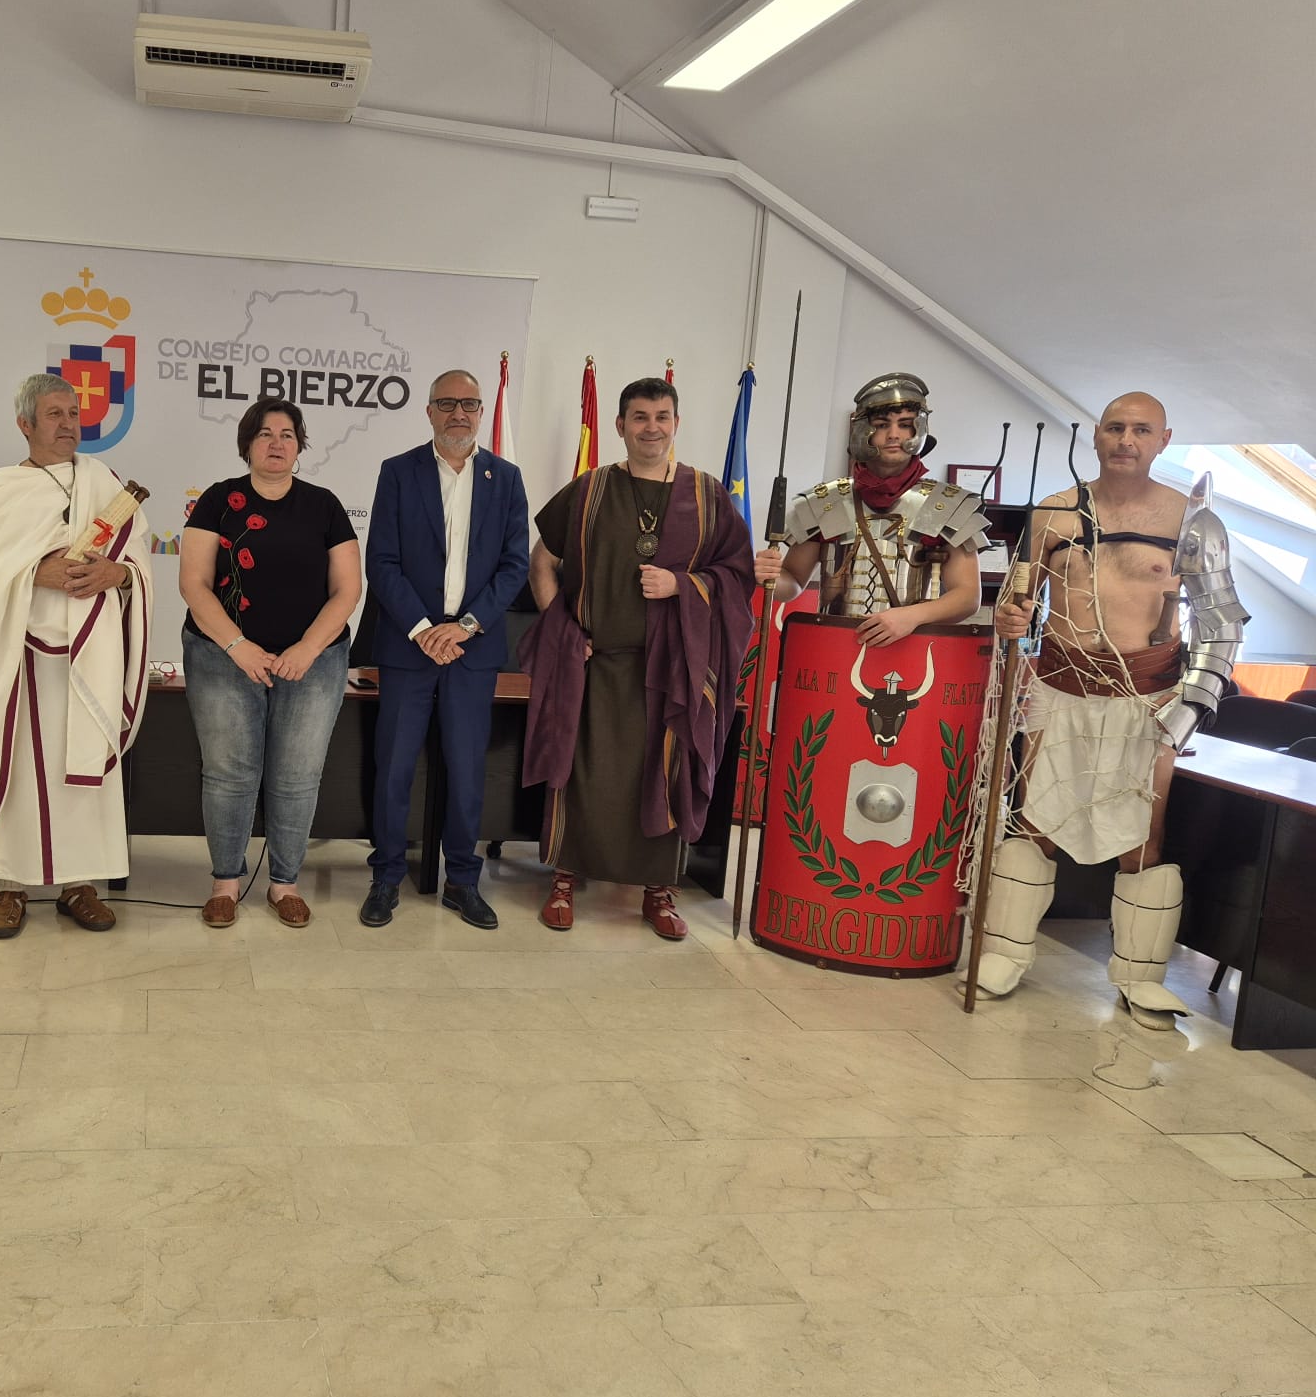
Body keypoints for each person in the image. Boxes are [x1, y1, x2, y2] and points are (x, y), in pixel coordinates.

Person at [974, 392, 1245, 1028]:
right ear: (1097, 436)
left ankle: (1139, 978)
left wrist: (1183, 718)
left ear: (1163, 439)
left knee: (1141, 836)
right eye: (1116, 427)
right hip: (1059, 683)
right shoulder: (1054, 512)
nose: (1127, 439)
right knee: (1033, 818)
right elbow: (1018, 600)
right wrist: (1010, 620)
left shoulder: (1190, 520)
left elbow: (1223, 625)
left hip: (1147, 694)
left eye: (1141, 430)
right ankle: (1006, 954)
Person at [524, 376, 755, 938]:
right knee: (581, 770)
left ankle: (660, 891)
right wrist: (562, 625)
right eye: (639, 417)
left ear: (676, 423)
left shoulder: (708, 496)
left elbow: (737, 577)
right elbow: (541, 562)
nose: (651, 427)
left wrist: (682, 587)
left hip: (672, 668)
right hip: (594, 663)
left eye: (662, 416)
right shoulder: (589, 490)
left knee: (665, 771)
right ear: (621, 425)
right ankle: (564, 879)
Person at [0, 373, 152, 939]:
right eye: (55, 415)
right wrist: (37, 571)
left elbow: (139, 566)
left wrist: (117, 573)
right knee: (20, 774)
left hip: (94, 653)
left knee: (81, 770)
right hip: (21, 657)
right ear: (25, 425)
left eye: (73, 413)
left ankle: (80, 885)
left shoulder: (105, 483)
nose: (68, 425)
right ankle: (9, 887)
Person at [179, 397, 361, 927]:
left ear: (299, 445)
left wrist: (306, 649)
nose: (276, 443)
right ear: (247, 445)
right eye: (264, 434)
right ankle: (225, 883)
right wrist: (238, 647)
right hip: (221, 655)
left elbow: (347, 590)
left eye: (287, 433)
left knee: (297, 775)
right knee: (229, 773)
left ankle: (284, 884)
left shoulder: (323, 505)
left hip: (313, 661)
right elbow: (193, 583)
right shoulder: (217, 501)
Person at [360, 369, 529, 930]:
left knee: (465, 771)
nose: (460, 413)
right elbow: (380, 561)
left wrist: (466, 626)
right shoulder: (398, 472)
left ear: (481, 412)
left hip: (471, 651)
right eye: (448, 403)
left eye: (470, 404)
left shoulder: (505, 478)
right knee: (393, 770)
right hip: (411, 649)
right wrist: (423, 628)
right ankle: (385, 878)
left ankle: (462, 880)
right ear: (429, 411)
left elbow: (514, 565)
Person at [754, 372, 988, 636]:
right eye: (881, 424)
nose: (893, 434)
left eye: (905, 424)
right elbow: (793, 582)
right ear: (863, 430)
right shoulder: (824, 502)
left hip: (910, 650)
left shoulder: (949, 505)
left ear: (919, 429)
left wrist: (911, 616)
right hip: (832, 646)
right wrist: (770, 575)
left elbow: (968, 597)